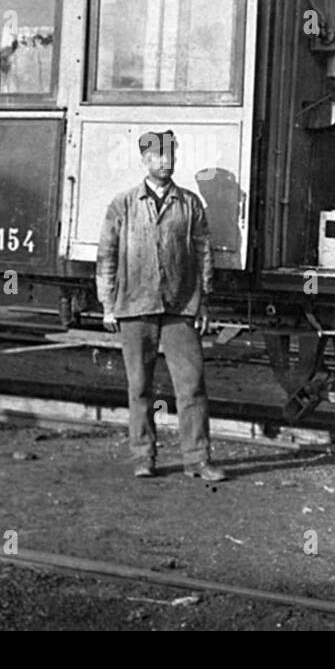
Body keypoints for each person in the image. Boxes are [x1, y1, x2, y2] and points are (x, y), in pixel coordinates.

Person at [96, 129, 226, 481]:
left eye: (170, 156)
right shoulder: (122, 205)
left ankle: (197, 460)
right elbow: (106, 256)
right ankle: (144, 457)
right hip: (134, 307)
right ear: (145, 161)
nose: (165, 162)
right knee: (140, 387)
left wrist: (202, 302)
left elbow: (203, 254)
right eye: (158, 156)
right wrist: (108, 303)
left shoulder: (189, 204)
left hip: (180, 307)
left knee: (192, 386)